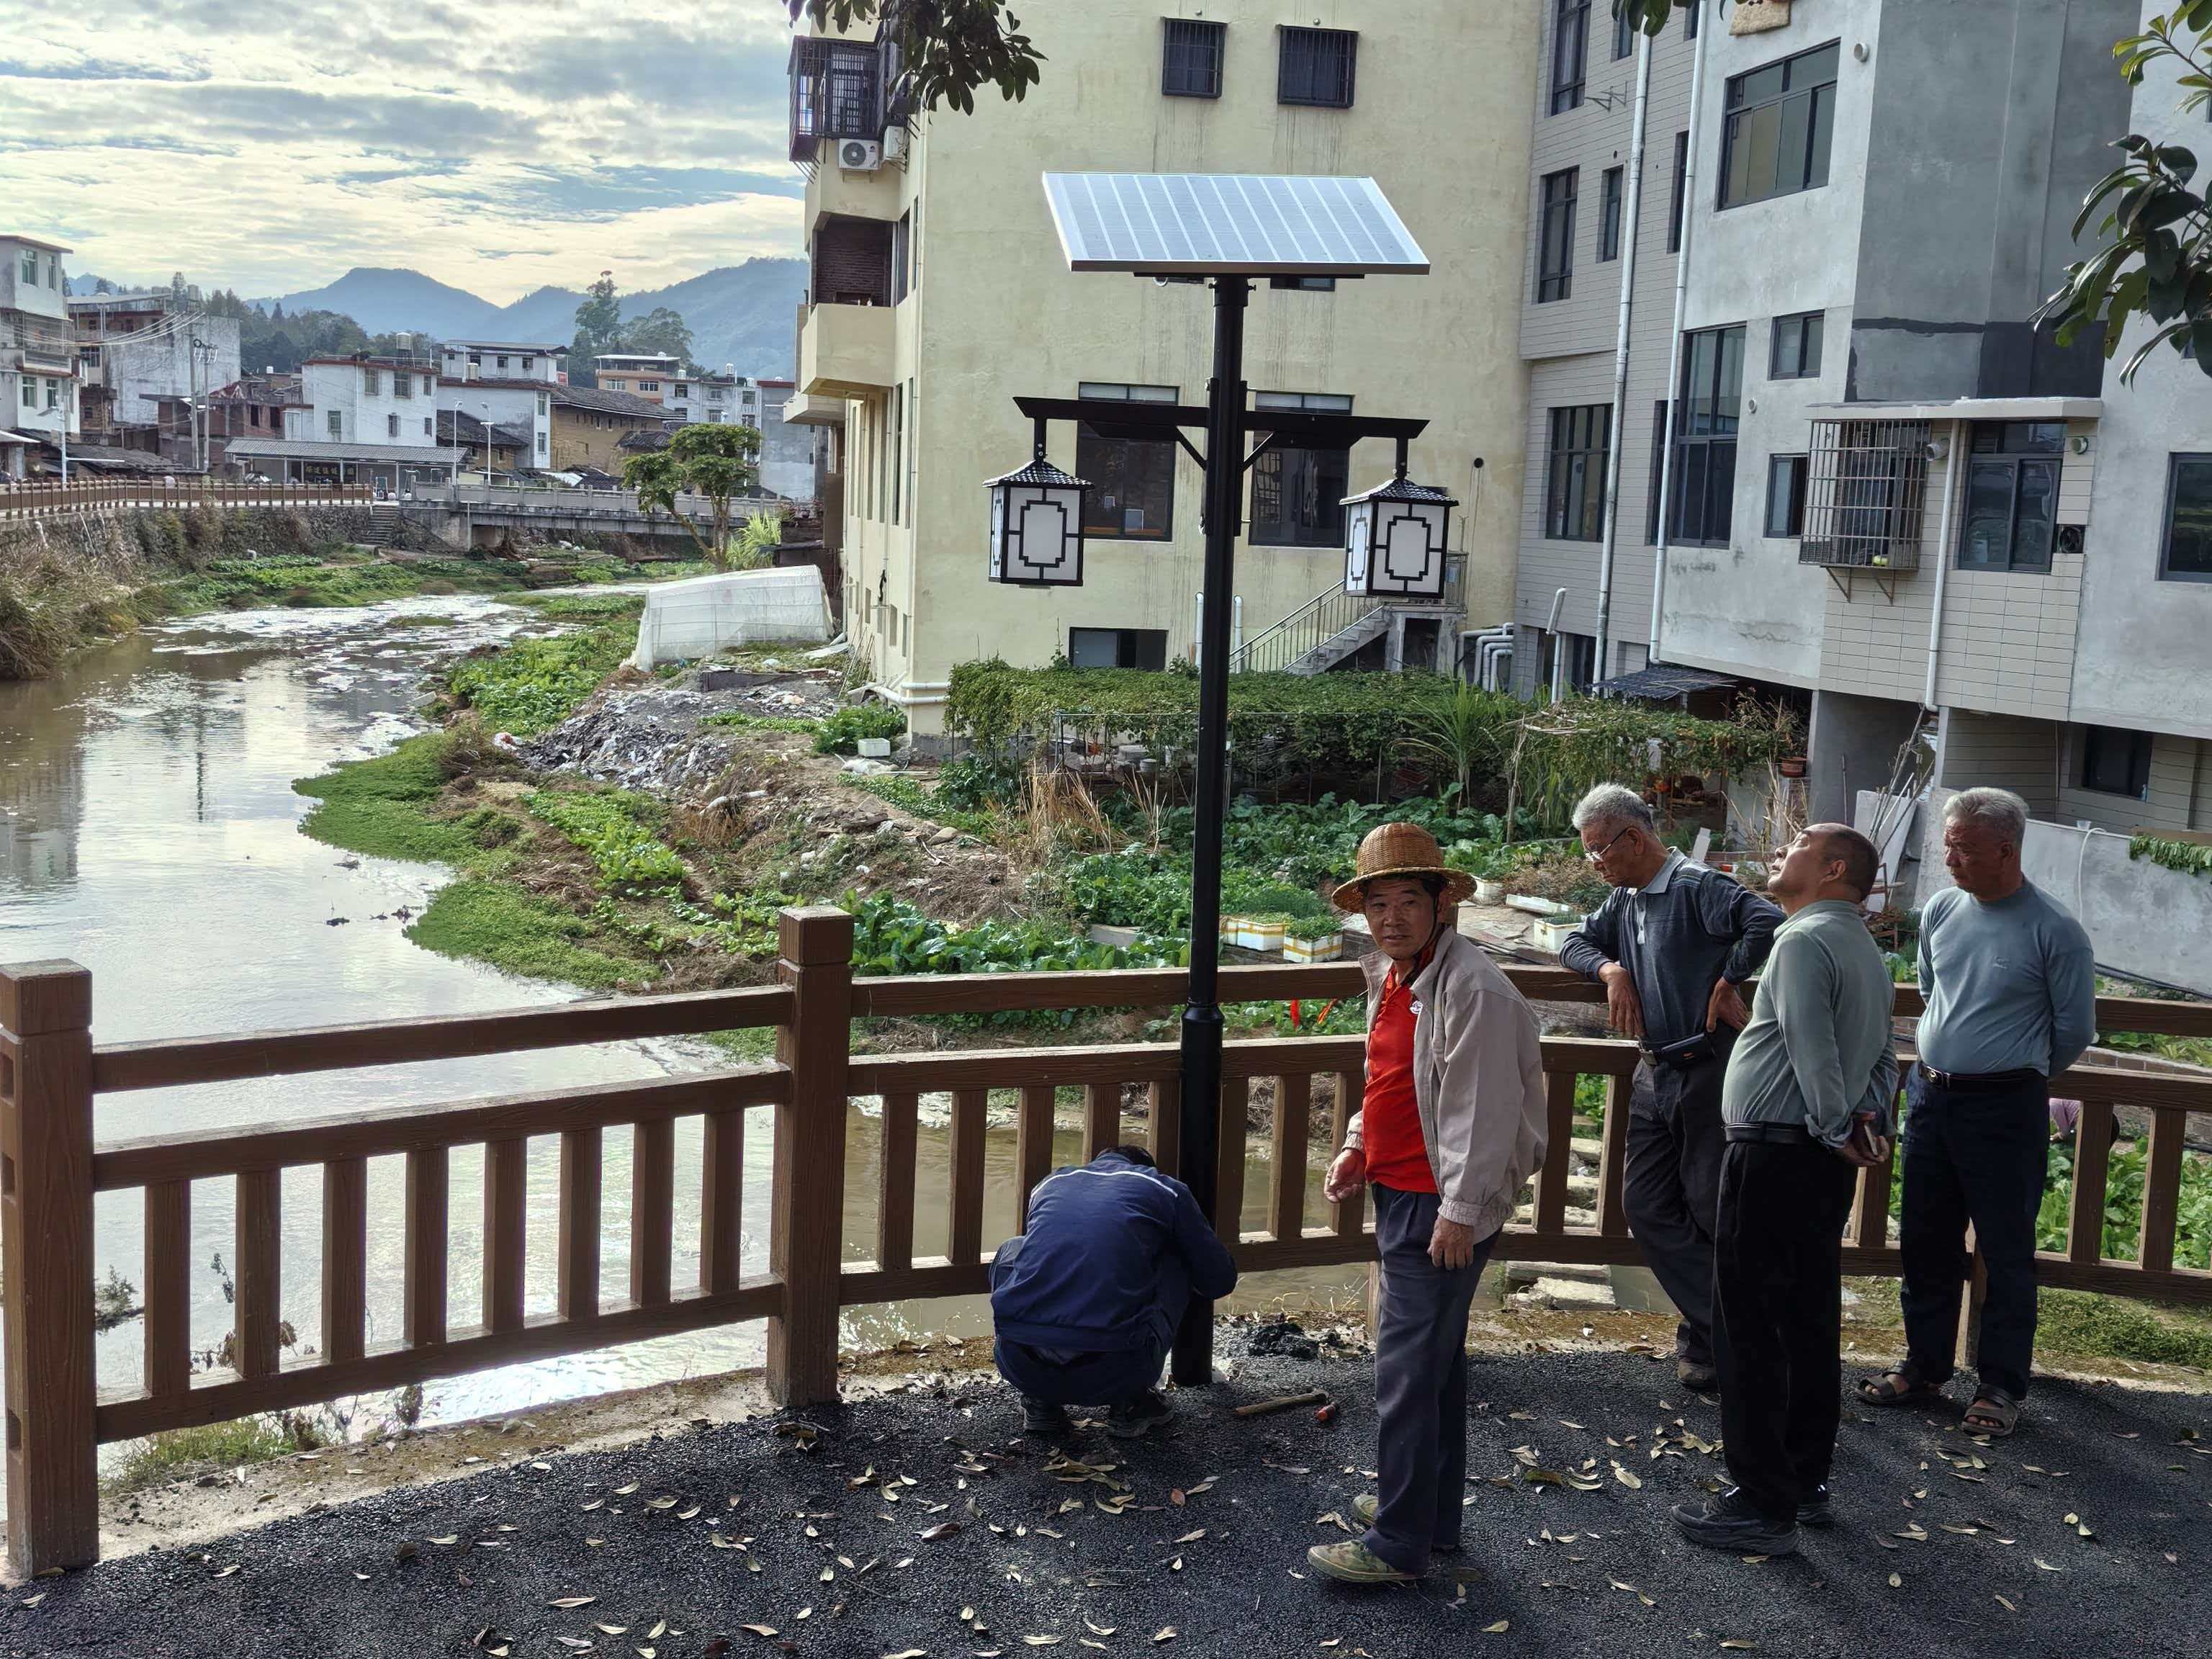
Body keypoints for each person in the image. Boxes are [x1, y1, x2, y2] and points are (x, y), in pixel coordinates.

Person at [1305, 824, 1548, 1586]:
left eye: (1409, 900)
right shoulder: (1399, 975)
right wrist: (1357, 1144)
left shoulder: (1472, 987)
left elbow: (1485, 1109)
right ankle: (1429, 1513)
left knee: (1406, 1370)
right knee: (1433, 1365)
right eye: (1378, 904)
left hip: (1437, 1201)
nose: (1392, 918)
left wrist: (1461, 1211)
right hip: (1406, 1187)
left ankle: (1398, 1542)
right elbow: (1390, 1078)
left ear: (1442, 903)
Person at [1671, 824, 1898, 1555]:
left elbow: (1809, 1044)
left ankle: (1761, 1502)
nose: (1780, 851)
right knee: (1805, 1321)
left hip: (1776, 1150)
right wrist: (1865, 1123)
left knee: (1751, 1328)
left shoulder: (1801, 940)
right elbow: (1882, 1055)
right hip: (1817, 1158)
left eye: (1797, 843)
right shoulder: (1862, 945)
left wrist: (1832, 1125)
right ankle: (1803, 1481)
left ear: (1833, 869)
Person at [1860, 787, 2096, 1438]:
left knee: (2006, 1248)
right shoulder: (1941, 908)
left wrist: (2013, 1071)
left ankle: (1999, 1385)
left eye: (1963, 847)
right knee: (1925, 1239)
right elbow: (1931, 987)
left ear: (2006, 849)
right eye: (1949, 844)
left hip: (2005, 1106)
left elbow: (2074, 1030)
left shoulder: (2056, 931)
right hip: (1931, 1095)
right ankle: (1925, 1366)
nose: (1949, 857)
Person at [1560, 784, 1781, 1391]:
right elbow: (1572, 942)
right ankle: (1736, 1332)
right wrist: (1611, 969)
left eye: (1598, 849)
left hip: (1706, 1068)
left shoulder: (1695, 886)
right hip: (1654, 1070)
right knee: (1647, 1205)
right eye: (1588, 852)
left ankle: (1717, 1344)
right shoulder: (1627, 898)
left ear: (1633, 838)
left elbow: (1768, 921)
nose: (1595, 863)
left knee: (1710, 1209)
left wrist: (1729, 979)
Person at [989, 1144, 1237, 1440]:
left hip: (1019, 1365)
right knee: (1177, 1256)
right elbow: (1218, 1281)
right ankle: (1132, 1405)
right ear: (1144, 1168)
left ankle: (1040, 1402)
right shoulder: (1163, 1188)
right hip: (1118, 1373)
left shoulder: (1051, 1183)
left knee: (1013, 1248)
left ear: (1098, 1163)